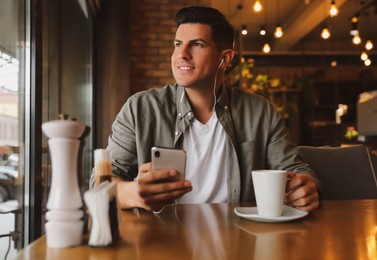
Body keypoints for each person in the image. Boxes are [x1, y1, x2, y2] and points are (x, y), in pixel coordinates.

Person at [92, 6, 319, 212]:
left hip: (239, 238)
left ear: (225, 58)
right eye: (178, 44)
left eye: (197, 44)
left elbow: (295, 169)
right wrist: (132, 193)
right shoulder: (140, 108)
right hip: (162, 239)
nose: (181, 54)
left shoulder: (260, 112)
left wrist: (306, 187)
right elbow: (101, 182)